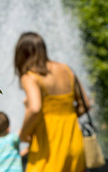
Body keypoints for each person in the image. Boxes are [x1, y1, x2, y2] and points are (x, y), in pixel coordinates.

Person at [14, 32, 90, 171]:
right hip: (74, 140)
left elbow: (35, 108)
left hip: (49, 143)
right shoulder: (66, 69)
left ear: (21, 53)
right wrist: (67, 118)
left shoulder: (30, 76)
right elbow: (86, 104)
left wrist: (24, 134)